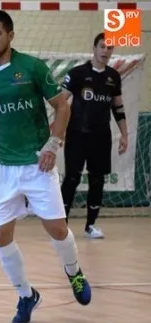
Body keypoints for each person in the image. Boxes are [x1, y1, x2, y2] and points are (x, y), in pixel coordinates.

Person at [0, 10, 92, 323]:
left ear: (10, 35)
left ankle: (74, 272)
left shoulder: (32, 68)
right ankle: (25, 295)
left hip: (36, 163)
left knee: (57, 229)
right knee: (0, 236)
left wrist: (53, 144)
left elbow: (61, 105)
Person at [60, 32, 128, 239]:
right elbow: (61, 103)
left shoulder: (113, 77)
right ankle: (61, 226)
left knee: (97, 180)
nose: (106, 51)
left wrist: (124, 134)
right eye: (102, 46)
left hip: (101, 137)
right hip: (77, 134)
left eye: (110, 48)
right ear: (95, 48)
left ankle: (90, 225)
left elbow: (118, 107)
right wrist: (57, 131)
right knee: (72, 178)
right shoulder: (78, 73)